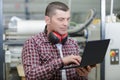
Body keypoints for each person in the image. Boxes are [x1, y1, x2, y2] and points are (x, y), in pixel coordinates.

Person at [22, 1, 95, 80]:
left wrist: (82, 74)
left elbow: (78, 77)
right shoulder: (33, 43)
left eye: (68, 19)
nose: (66, 24)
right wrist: (62, 62)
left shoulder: (72, 43)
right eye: (61, 19)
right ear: (47, 20)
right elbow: (31, 75)